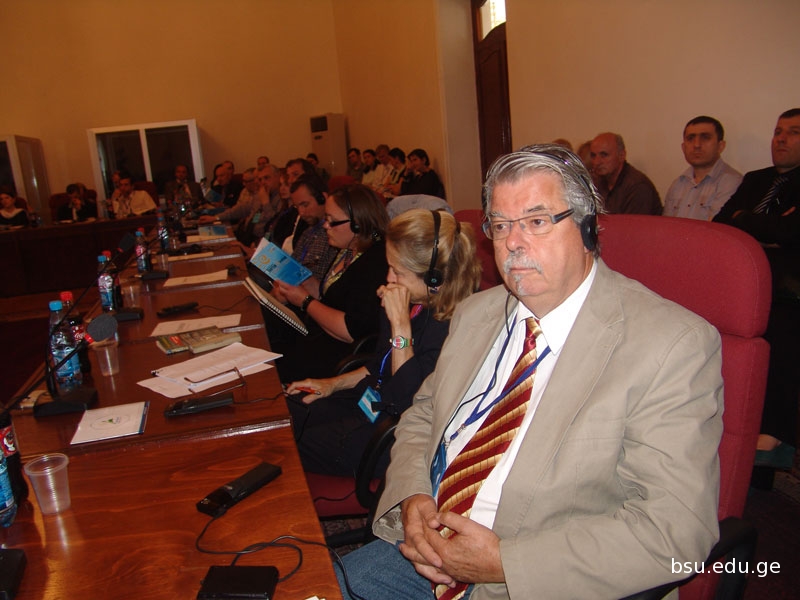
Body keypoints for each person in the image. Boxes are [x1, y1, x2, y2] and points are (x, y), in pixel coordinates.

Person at [339, 145, 723, 599]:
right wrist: (413, 496)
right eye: (501, 225)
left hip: (540, 579)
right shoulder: (476, 314)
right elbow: (423, 414)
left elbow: (676, 531)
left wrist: (505, 562)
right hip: (426, 549)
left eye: (537, 221)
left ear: (587, 227)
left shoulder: (671, 345)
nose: (513, 243)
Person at [286, 209, 481, 477]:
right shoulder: (413, 300)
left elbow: (408, 403)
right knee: (290, 412)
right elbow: (378, 363)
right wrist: (332, 384)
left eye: (397, 272)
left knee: (289, 445)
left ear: (433, 278)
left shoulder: (457, 327)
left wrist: (400, 325)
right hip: (372, 402)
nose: (389, 279)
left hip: (396, 434)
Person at [714, 108, 800, 467]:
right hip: (743, 281)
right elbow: (721, 224)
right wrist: (764, 229)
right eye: (778, 131)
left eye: (793, 132)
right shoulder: (755, 179)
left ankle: (776, 435)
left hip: (787, 290)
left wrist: (746, 221)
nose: (781, 139)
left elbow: (790, 233)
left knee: (780, 332)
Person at [271, 184, 389, 383]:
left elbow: (350, 330)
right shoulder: (347, 249)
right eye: (326, 219)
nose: (325, 226)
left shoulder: (377, 262)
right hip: (319, 337)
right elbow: (334, 297)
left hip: (339, 354)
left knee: (273, 362)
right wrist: (305, 283)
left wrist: (305, 301)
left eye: (332, 221)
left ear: (358, 225)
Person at [663, 116, 742, 220]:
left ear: (720, 146)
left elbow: (717, 227)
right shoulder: (678, 184)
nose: (696, 145)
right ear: (683, 147)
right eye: (690, 138)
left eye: (705, 138)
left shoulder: (731, 182)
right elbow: (666, 224)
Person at [590, 132, 662, 214]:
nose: (596, 162)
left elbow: (633, 222)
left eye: (604, 155)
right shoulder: (598, 182)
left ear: (621, 155)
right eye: (593, 156)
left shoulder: (637, 186)